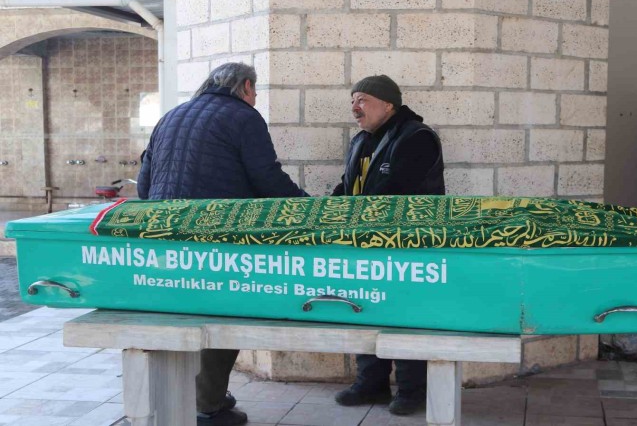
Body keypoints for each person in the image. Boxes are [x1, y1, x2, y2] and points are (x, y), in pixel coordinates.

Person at [138, 62, 308, 426]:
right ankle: (207, 406)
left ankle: (179, 396)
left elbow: (144, 184)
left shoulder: (171, 116)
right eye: (255, 90)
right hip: (214, 238)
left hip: (163, 237)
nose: (256, 97)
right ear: (245, 86)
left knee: (178, 317)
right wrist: (306, 208)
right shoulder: (244, 117)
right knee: (222, 315)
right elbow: (267, 178)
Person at [332, 75, 445, 415]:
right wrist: (326, 211)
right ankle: (372, 384)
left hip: (405, 248)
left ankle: (412, 390)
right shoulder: (360, 141)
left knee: (405, 315)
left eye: (362, 99)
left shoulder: (417, 137)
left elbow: (397, 192)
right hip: (364, 245)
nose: (355, 107)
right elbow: (347, 187)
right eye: (353, 100)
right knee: (365, 309)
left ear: (388, 104)